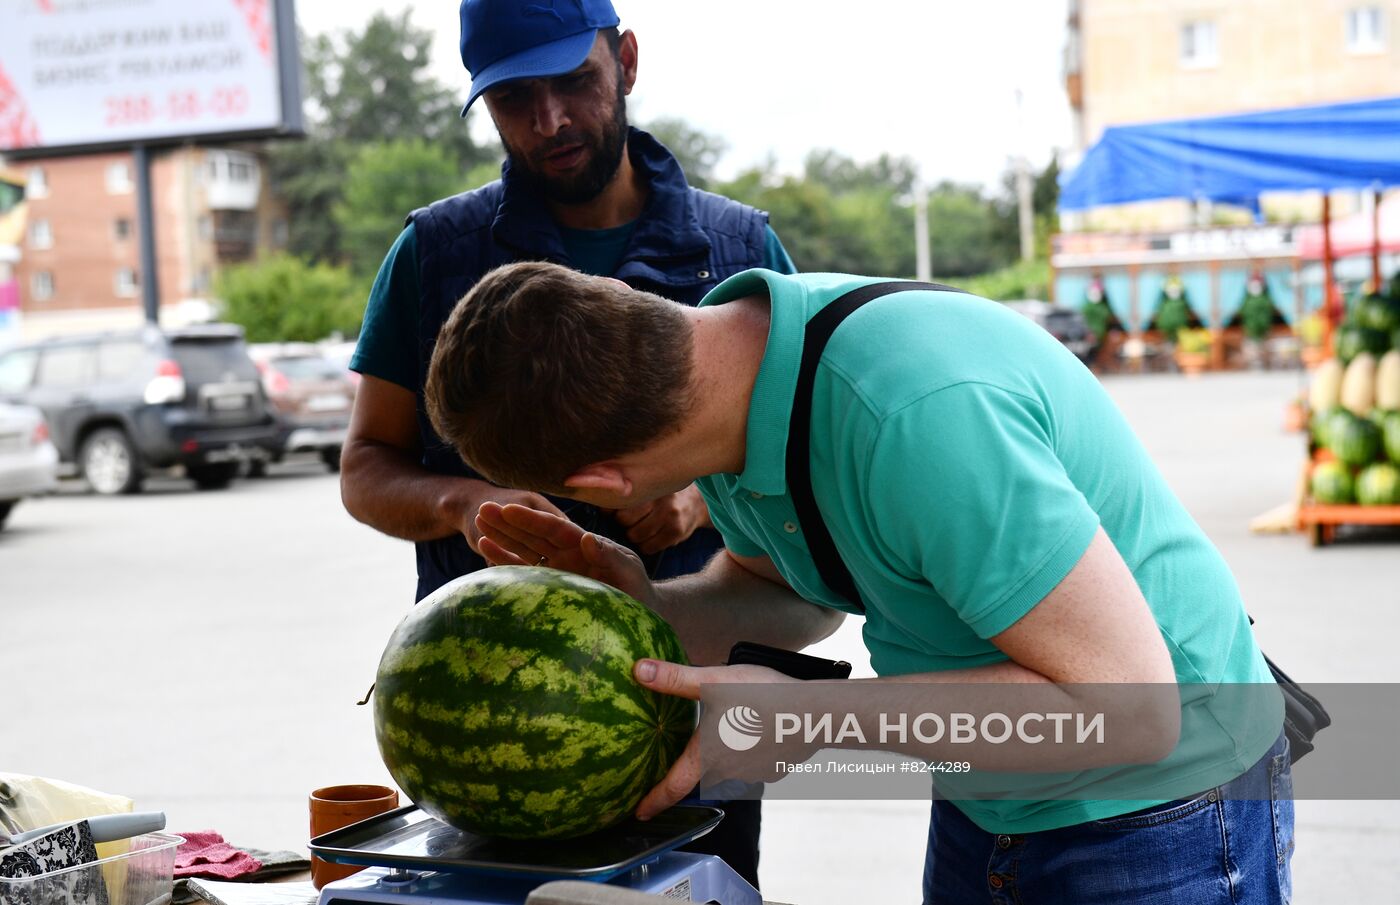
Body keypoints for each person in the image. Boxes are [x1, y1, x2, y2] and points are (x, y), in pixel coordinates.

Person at [423, 262, 1293, 904]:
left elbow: (1132, 711)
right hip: (994, 784)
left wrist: (808, 718)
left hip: (1159, 801)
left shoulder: (914, 415)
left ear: (604, 480)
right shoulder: (717, 390)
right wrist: (646, 606)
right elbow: (795, 597)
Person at [339, 0, 816, 886]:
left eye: (573, 82)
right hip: (494, 721)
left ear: (625, 60)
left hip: (698, 700)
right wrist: (464, 500)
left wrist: (699, 495)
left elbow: (805, 471)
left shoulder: (740, 250)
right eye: (514, 98)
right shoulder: (433, 253)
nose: (550, 119)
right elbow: (363, 468)